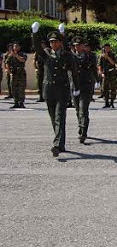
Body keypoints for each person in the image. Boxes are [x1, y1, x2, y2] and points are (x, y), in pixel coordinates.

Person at [31, 22, 79, 157]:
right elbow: (36, 47)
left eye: (55, 41)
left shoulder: (66, 55)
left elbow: (74, 72)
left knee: (59, 117)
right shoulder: (46, 53)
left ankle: (57, 145)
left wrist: (76, 87)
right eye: (51, 42)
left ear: (60, 42)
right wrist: (34, 33)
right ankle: (61, 143)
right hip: (49, 90)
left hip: (62, 91)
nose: (52, 44)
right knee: (53, 118)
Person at [72, 37, 99, 143]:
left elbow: (93, 68)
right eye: (75, 45)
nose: (77, 47)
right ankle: (81, 126)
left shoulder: (90, 56)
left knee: (83, 110)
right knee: (78, 110)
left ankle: (83, 132)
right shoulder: (71, 56)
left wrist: (97, 80)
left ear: (84, 46)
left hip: (85, 86)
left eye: (79, 45)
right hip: (74, 86)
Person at [7, 41, 27, 108]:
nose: (15, 47)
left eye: (16, 46)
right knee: (13, 88)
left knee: (21, 88)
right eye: (14, 46)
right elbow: (7, 63)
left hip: (21, 74)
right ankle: (16, 102)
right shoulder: (10, 55)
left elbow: (23, 60)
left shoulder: (22, 53)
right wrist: (10, 73)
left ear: (19, 47)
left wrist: (16, 55)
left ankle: (21, 102)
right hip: (14, 74)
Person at [99, 43, 117, 108]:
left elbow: (113, 63)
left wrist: (107, 57)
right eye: (105, 48)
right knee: (104, 88)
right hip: (105, 73)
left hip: (112, 73)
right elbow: (99, 65)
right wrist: (101, 72)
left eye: (108, 48)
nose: (106, 49)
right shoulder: (101, 56)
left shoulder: (112, 55)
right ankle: (106, 102)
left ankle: (112, 102)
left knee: (113, 88)